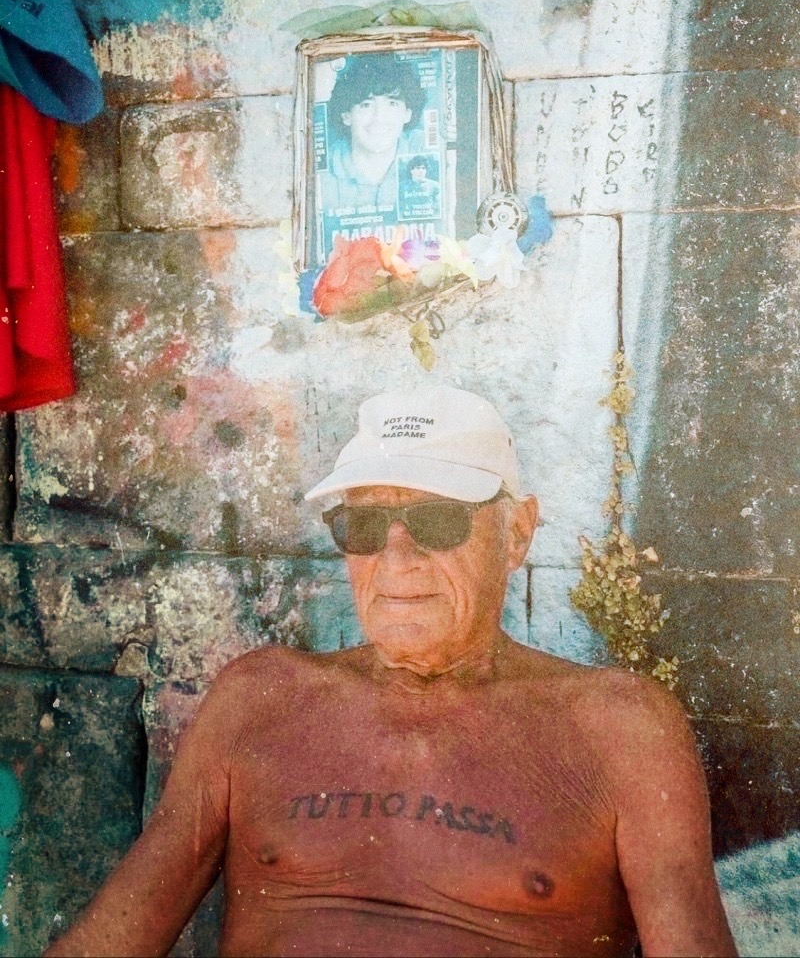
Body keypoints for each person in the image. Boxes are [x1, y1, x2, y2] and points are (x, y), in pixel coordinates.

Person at [46, 384, 738, 958]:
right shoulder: (260, 698)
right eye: (366, 528)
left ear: (518, 534)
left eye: (437, 523)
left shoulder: (620, 728)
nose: (397, 560)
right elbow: (117, 935)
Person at [318, 53, 427, 215]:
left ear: (407, 114)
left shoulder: (425, 148)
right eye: (366, 105)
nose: (379, 118)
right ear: (346, 116)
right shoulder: (323, 172)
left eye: (392, 103)